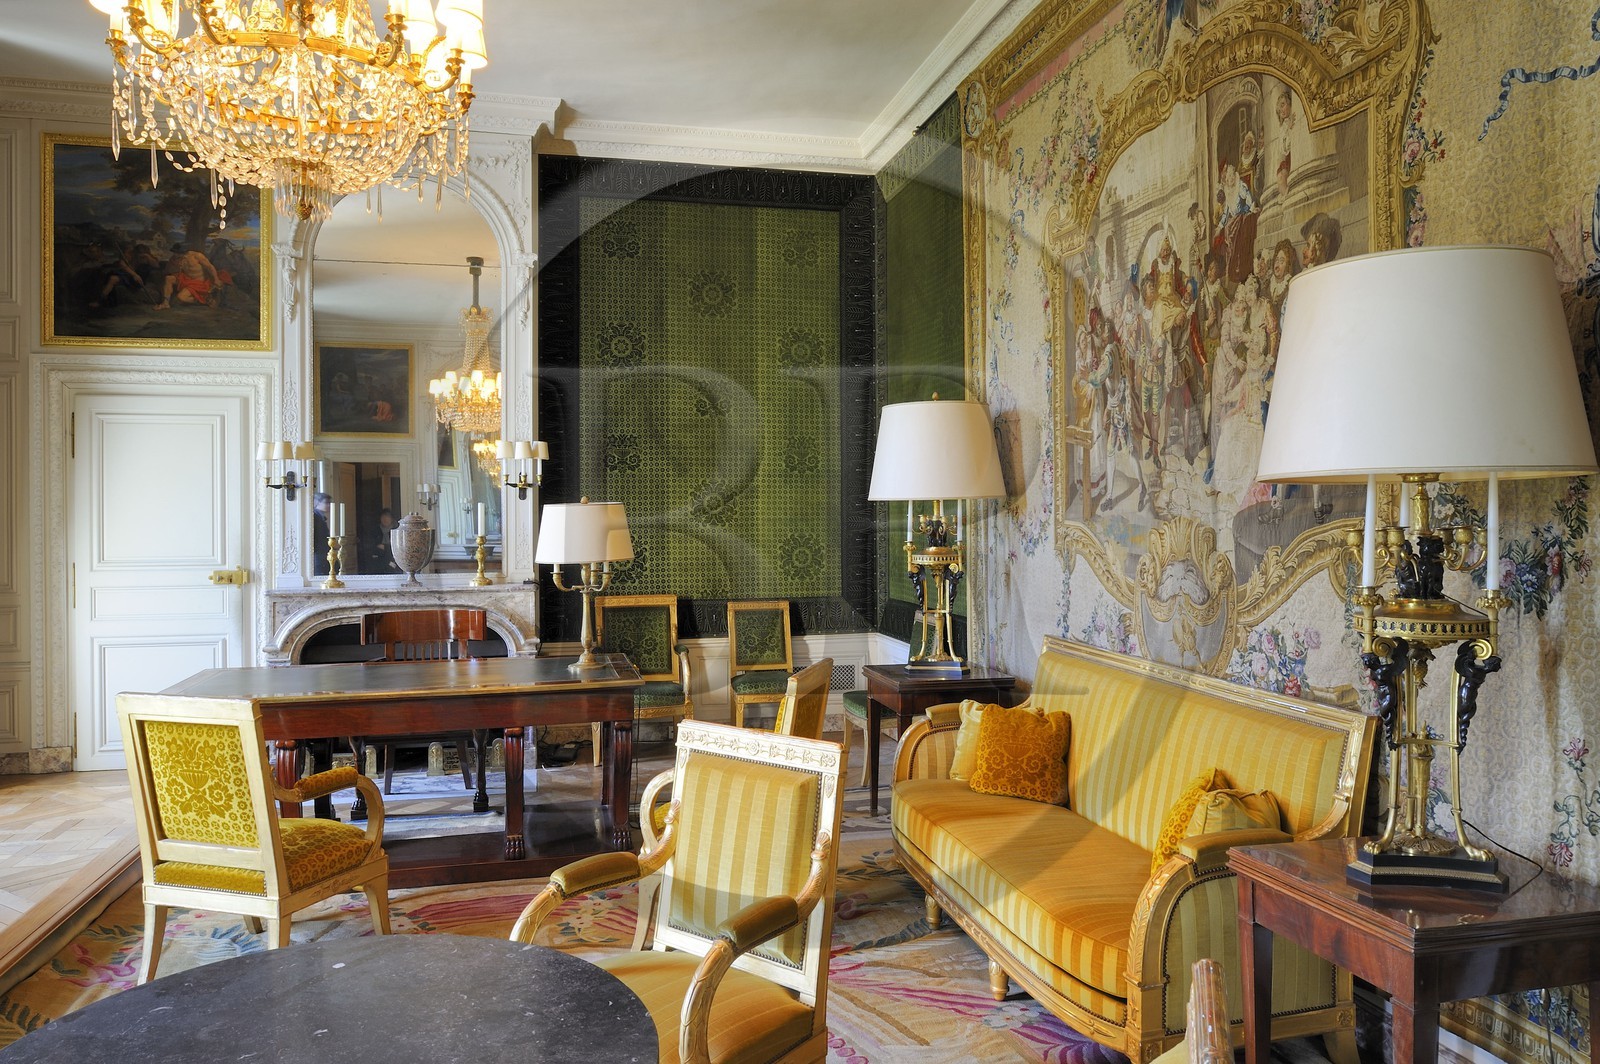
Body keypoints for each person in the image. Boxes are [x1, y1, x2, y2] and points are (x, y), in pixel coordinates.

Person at [155, 247, 223, 309]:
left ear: (183, 252)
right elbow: (168, 270)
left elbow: (210, 267)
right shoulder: (175, 258)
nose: (175, 255)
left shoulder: (197, 256)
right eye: (174, 253)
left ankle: (203, 300)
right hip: (186, 279)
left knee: (181, 297)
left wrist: (216, 279)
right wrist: (175, 265)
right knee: (168, 278)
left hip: (198, 282)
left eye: (176, 253)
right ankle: (165, 303)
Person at [366, 508, 401, 574]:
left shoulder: (397, 531)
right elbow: (371, 546)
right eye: (383, 517)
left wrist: (385, 547)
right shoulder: (375, 530)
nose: (385, 519)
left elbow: (399, 548)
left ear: (392, 518)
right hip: (378, 562)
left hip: (393, 562)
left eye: (387, 517)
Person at [312, 492, 331, 576]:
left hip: (323, 554)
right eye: (326, 503)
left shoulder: (320, 516)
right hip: (318, 555)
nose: (329, 505)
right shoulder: (315, 517)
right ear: (317, 503)